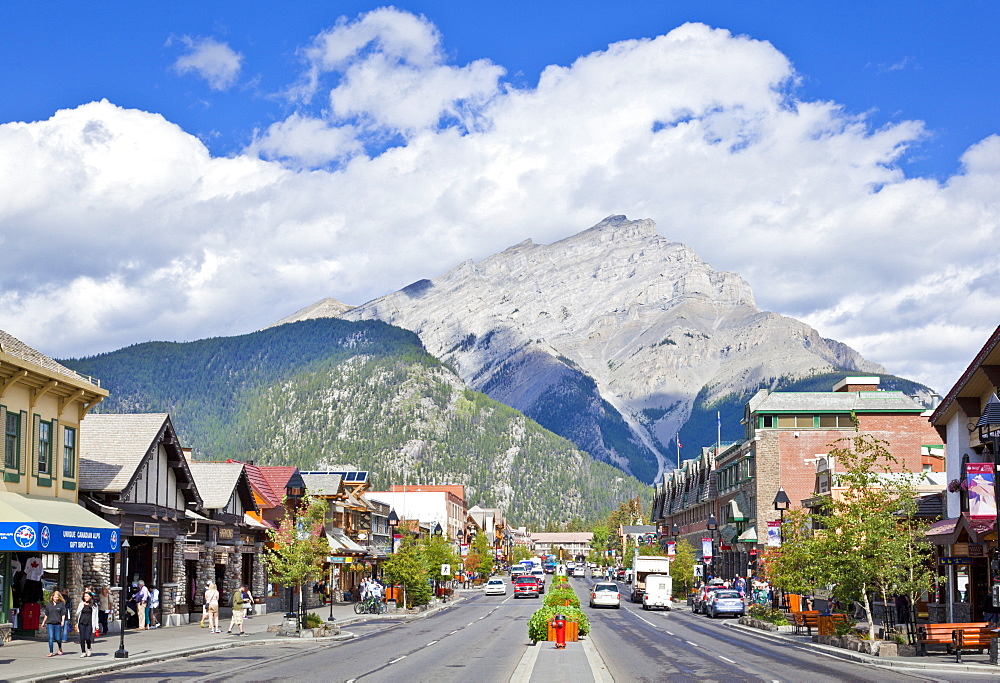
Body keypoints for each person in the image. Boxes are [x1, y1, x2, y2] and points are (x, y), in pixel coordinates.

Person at [43, 591, 68, 657]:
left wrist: (62, 621)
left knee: (58, 638)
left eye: (57, 597)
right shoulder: (49, 605)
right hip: (50, 623)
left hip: (57, 623)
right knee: (51, 637)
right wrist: (43, 622)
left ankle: (60, 648)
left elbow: (63, 614)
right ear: (52, 597)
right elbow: (46, 614)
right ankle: (51, 652)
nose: (56, 598)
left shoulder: (61, 604)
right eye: (55, 597)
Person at [76, 591, 98, 657]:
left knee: (88, 637)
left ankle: (89, 648)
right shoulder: (81, 604)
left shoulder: (94, 605)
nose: (86, 598)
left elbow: (96, 615)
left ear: (90, 597)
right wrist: (81, 607)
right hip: (82, 622)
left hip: (89, 623)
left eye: (87, 596)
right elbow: (77, 613)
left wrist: (96, 625)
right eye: (85, 596)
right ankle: (83, 652)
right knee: (82, 638)